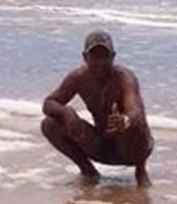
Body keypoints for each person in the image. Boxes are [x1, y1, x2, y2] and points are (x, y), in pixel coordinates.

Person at [41, 30, 154, 187]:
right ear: (85, 57)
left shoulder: (124, 77)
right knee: (50, 123)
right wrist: (67, 113)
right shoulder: (78, 78)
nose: (99, 62)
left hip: (129, 148)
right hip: (101, 143)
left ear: (113, 57)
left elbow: (135, 109)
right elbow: (49, 102)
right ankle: (88, 172)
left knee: (137, 124)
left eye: (104, 57)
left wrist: (124, 121)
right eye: (94, 57)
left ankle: (141, 171)